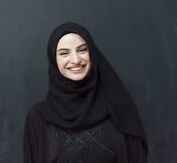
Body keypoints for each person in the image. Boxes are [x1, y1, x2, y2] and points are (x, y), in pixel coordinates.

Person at [23, 22, 148, 163]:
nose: (76, 60)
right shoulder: (38, 118)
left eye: (82, 50)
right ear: (54, 59)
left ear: (92, 54)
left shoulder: (119, 109)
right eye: (64, 53)